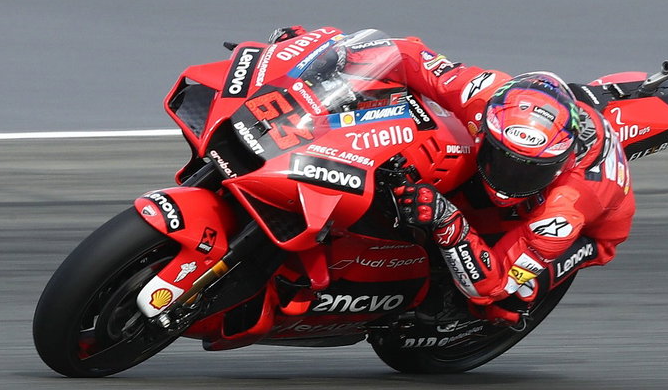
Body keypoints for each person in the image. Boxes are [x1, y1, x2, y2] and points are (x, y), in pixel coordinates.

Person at [270, 25, 636, 326]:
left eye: (526, 171)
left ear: (558, 164)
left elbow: (491, 285)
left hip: (591, 229)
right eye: (502, 160)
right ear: (487, 130)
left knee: (501, 302)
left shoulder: (568, 207)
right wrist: (323, 60)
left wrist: (447, 221)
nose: (509, 178)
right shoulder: (483, 94)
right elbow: (405, 54)